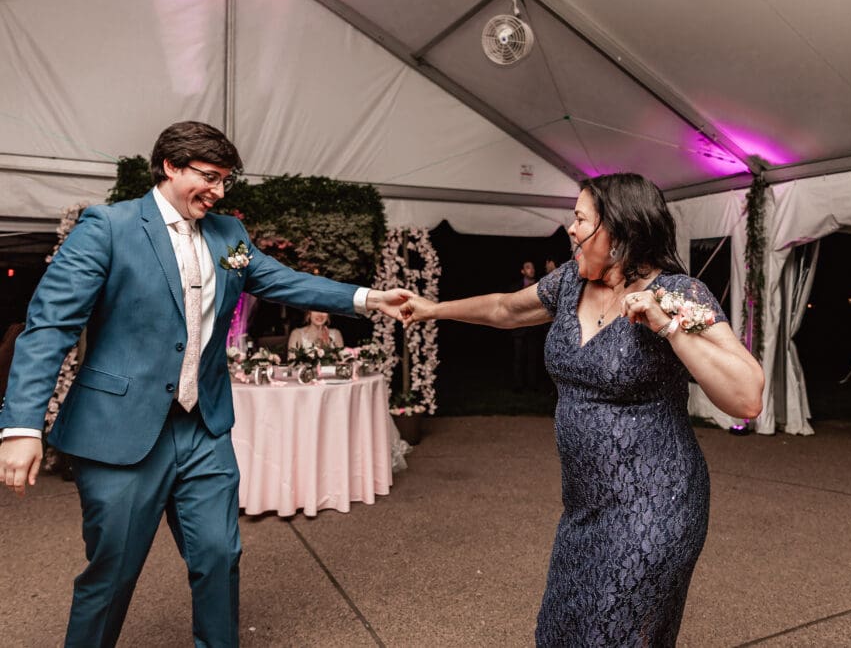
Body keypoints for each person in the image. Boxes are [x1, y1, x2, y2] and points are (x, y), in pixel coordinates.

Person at [0, 121, 413, 647]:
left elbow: (284, 279)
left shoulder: (228, 234)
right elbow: (49, 328)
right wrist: (20, 426)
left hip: (204, 429)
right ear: (170, 166)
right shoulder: (107, 227)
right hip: (120, 431)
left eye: (225, 181)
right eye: (210, 177)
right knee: (114, 572)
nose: (218, 191)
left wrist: (371, 298)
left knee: (220, 555)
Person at [400, 173, 764, 645]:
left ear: (620, 233)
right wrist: (433, 309)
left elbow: (746, 395)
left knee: (613, 635)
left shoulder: (675, 294)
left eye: (580, 219)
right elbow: (507, 309)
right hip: (585, 508)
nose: (570, 230)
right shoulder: (571, 282)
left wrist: (668, 327)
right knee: (561, 630)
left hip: (656, 506)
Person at [509, 260, 542, 391]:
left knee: (533, 359)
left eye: (533, 267)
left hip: (534, 329)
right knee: (518, 359)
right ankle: (518, 386)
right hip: (519, 330)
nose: (531, 270)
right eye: (528, 268)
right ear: (522, 271)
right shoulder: (514, 288)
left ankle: (532, 385)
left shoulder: (540, 286)